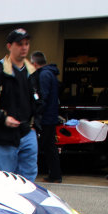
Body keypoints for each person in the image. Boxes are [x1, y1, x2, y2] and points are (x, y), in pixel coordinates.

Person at [0, 28, 40, 180]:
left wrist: (36, 124)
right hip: (3, 136)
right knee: (5, 180)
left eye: (26, 43)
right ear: (9, 46)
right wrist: (3, 118)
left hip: (27, 134)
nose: (24, 47)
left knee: (29, 180)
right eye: (19, 44)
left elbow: (38, 101)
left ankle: (26, 204)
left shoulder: (31, 72)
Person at [31, 51, 62, 182]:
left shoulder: (44, 75)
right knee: (50, 146)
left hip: (46, 117)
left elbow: (43, 97)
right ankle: (55, 174)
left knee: (48, 146)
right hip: (51, 115)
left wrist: (36, 112)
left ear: (34, 63)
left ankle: (55, 175)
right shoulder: (51, 74)